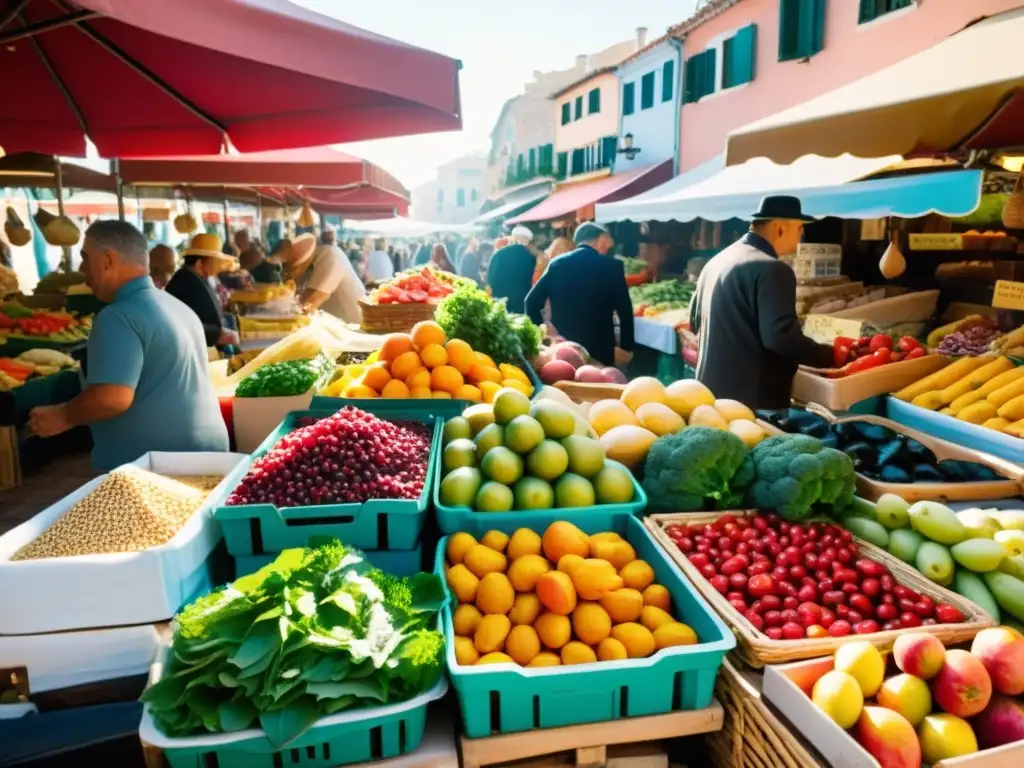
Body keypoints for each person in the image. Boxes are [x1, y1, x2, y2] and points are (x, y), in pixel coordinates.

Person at [27, 220, 229, 471]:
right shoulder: (176, 306)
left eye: (85, 257)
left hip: (160, 470)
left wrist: (63, 415)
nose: (82, 268)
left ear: (108, 259)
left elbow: (112, 398)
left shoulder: (118, 316)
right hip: (209, 456)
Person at [689, 195, 833, 410]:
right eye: (800, 227)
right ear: (781, 228)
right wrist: (828, 355)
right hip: (752, 401)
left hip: (711, 394)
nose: (802, 234)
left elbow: (694, 322)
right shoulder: (773, 268)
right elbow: (780, 338)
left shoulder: (716, 261)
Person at [526, 222, 633, 368]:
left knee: (565, 384)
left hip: (564, 349)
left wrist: (542, 332)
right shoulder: (612, 266)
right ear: (601, 238)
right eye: (607, 239)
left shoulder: (557, 264)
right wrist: (627, 347)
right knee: (599, 386)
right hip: (601, 349)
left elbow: (531, 302)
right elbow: (625, 310)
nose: (609, 245)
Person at [164, 233, 241, 349]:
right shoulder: (185, 282)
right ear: (199, 262)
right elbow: (181, 322)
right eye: (214, 260)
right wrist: (217, 335)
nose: (217, 265)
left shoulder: (195, 278)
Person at [291, 231, 366, 324]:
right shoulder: (311, 262)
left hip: (353, 325)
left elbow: (312, 299)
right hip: (336, 325)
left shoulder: (330, 254)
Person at [488, 225, 538, 313]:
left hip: (501, 306)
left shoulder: (498, 255)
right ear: (528, 241)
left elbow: (490, 280)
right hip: (523, 307)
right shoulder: (532, 257)